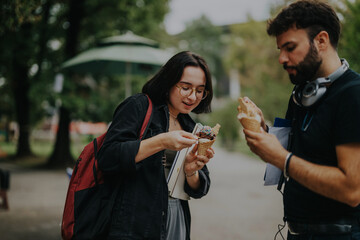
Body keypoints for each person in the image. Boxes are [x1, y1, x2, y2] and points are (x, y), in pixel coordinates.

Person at [242, 0, 360, 239]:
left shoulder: (352, 94)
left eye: (290, 47)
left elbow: (352, 189)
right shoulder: (301, 94)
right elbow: (301, 153)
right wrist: (264, 134)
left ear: (322, 40)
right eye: (280, 50)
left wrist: (280, 157)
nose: (282, 59)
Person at [97, 51, 214, 240]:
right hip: (136, 220)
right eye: (186, 87)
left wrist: (191, 171)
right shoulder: (139, 106)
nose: (193, 97)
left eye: (200, 91)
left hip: (177, 216)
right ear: (169, 82)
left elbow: (200, 188)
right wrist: (161, 141)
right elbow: (108, 157)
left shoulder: (191, 125)